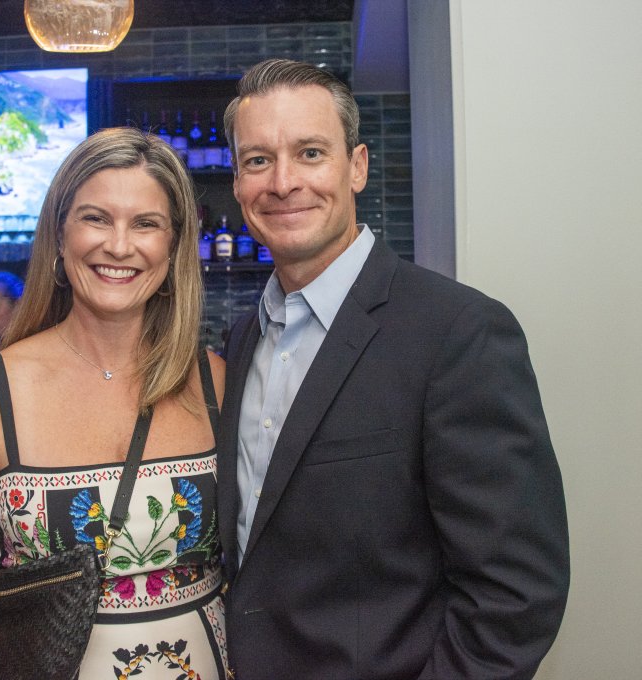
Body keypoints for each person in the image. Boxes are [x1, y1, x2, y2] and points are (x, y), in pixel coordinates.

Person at [217, 58, 569, 679]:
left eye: (310, 153)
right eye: (257, 160)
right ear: (238, 182)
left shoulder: (457, 332)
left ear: (357, 167)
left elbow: (515, 595)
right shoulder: (243, 339)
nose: (283, 181)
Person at [0, 127, 228, 679]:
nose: (119, 245)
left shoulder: (213, 380)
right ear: (59, 236)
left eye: (146, 223)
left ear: (174, 246)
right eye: (95, 218)